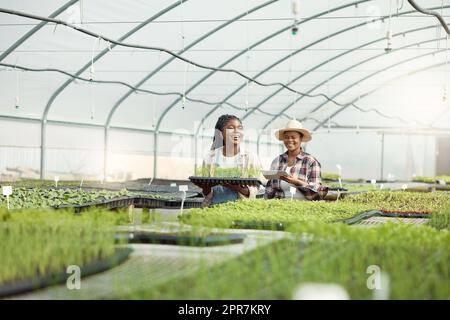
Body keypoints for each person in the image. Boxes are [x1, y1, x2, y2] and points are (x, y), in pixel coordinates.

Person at [194, 114, 263, 206]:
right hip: (213, 209)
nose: (236, 131)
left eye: (240, 128)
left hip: (242, 210)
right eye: (231, 128)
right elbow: (206, 193)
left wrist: (234, 186)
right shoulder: (210, 157)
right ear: (220, 133)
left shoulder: (250, 157)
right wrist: (206, 187)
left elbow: (255, 190)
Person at [264, 119, 328, 200]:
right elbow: (269, 191)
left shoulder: (310, 161)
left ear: (301, 139)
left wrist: (297, 182)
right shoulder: (277, 161)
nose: (290, 140)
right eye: (286, 137)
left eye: (293, 137)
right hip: (279, 208)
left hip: (303, 208)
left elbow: (318, 194)